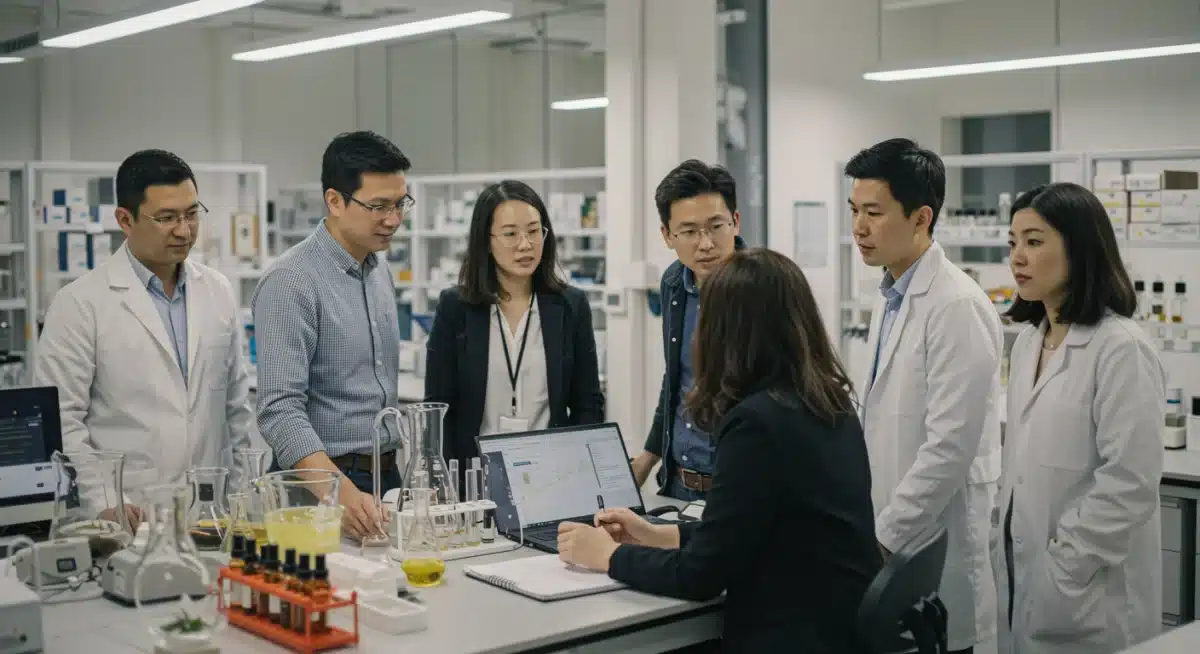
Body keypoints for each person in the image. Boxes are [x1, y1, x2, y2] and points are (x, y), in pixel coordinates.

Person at [557, 249, 880, 653]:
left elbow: (702, 576)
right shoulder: (825, 399)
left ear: (727, 331)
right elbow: (753, 529)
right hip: (837, 625)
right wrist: (658, 535)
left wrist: (608, 556)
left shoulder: (756, 424)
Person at [34, 149, 253, 528]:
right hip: (128, 514)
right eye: (166, 218)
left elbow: (235, 407)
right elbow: (61, 420)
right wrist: (101, 500)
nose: (184, 230)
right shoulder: (80, 303)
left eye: (191, 214)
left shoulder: (217, 290)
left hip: (211, 514)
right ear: (125, 219)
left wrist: (241, 496)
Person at [846, 137, 1002, 654]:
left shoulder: (957, 304)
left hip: (930, 552)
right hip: (894, 546)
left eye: (874, 212)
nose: (859, 228)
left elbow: (949, 450)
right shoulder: (891, 294)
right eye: (854, 211)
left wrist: (883, 537)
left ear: (921, 217)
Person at [999, 183, 1164, 654]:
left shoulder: (1121, 348)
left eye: (1034, 241)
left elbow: (1129, 484)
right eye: (1012, 243)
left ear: (1080, 247)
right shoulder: (1030, 341)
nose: (1018, 257)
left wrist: (1066, 566)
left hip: (1091, 595)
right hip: (1024, 576)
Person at [254, 130, 409, 542]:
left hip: (384, 475)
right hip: (319, 490)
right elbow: (279, 409)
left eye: (399, 204)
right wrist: (339, 492)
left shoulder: (378, 270)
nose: (393, 219)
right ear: (334, 201)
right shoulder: (291, 281)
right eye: (378, 206)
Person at [424, 180, 604, 465]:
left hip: (552, 471)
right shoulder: (456, 308)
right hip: (474, 475)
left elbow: (588, 403)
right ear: (486, 240)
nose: (525, 245)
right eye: (510, 234)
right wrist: (445, 482)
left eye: (534, 231)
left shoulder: (571, 306)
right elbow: (438, 409)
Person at [628, 160, 746, 501]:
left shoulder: (765, 287)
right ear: (667, 236)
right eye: (690, 231)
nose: (705, 243)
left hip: (739, 489)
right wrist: (650, 456)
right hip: (678, 484)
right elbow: (677, 378)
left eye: (716, 227)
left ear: (735, 222)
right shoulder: (673, 284)